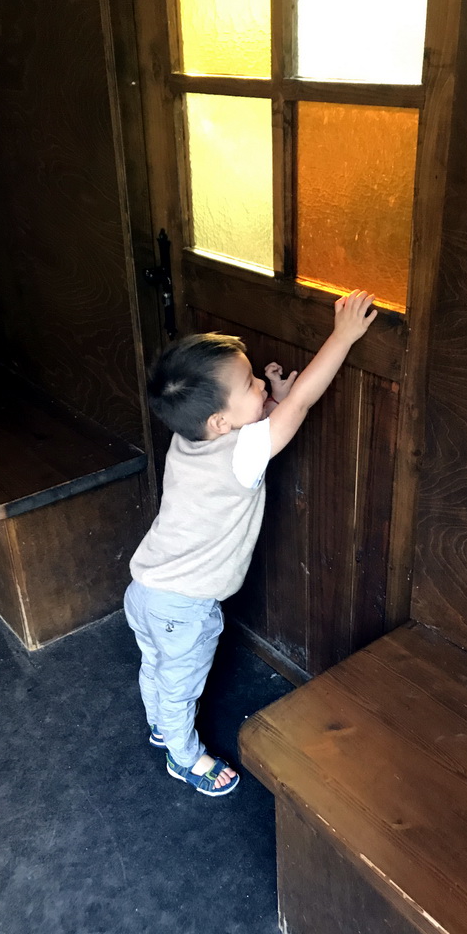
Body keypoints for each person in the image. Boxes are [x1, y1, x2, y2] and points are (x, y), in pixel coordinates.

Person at [124, 289, 377, 797]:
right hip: (186, 605)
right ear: (221, 421)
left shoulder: (190, 436)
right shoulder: (240, 452)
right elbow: (303, 401)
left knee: (156, 665)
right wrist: (344, 335)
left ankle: (160, 725)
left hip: (146, 587)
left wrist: (268, 400)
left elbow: (258, 425)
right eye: (250, 383)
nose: (261, 380)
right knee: (181, 683)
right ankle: (184, 755)